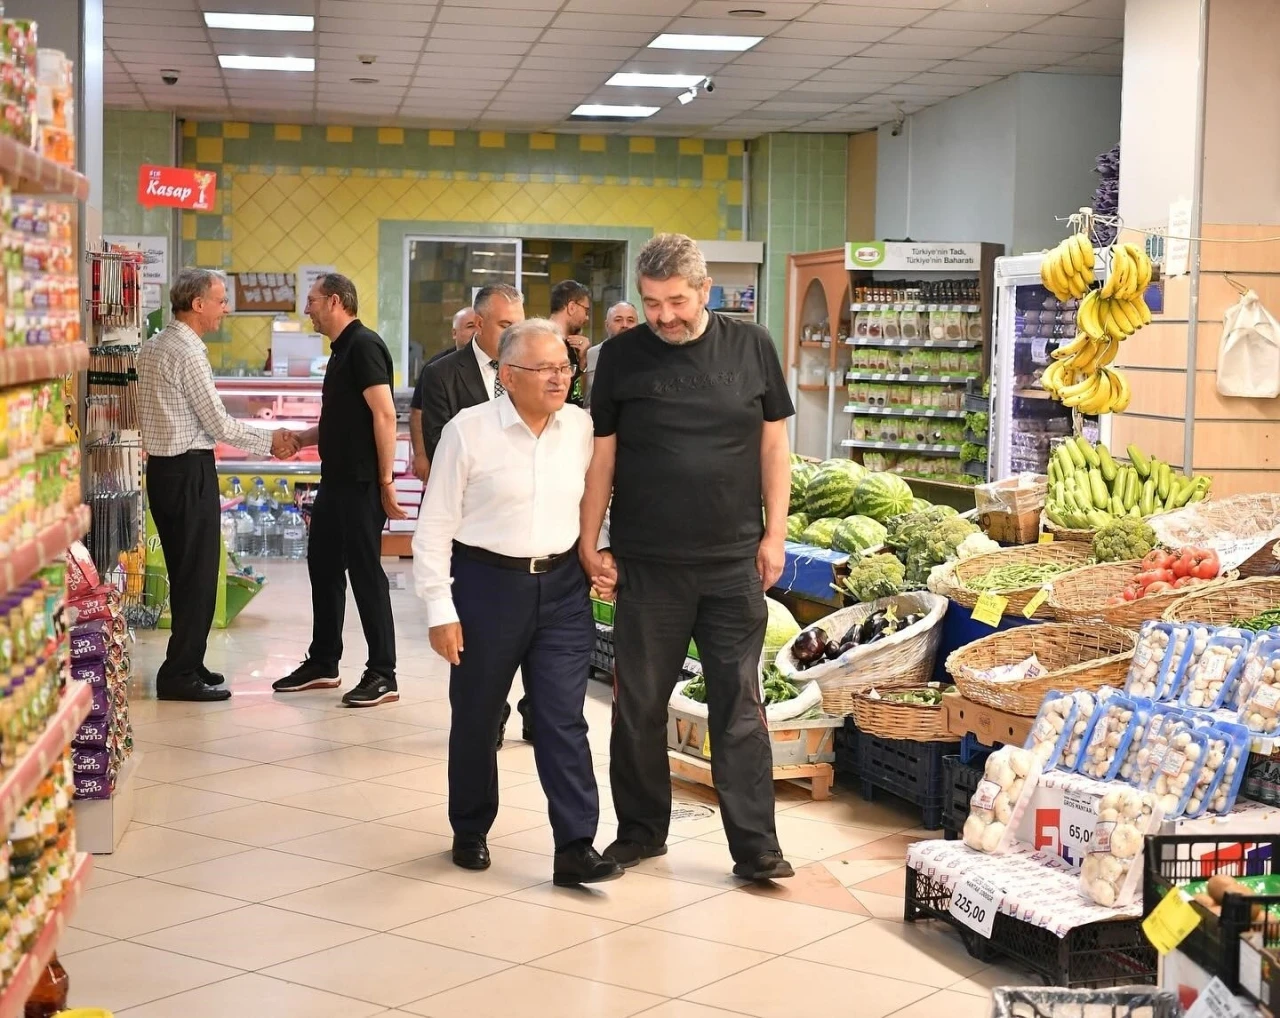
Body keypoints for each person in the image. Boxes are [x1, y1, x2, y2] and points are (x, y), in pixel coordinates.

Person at [580, 233, 796, 883]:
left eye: (676, 301)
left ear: (705, 291)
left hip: (733, 562)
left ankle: (756, 847)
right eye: (651, 303)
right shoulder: (620, 358)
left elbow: (774, 448)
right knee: (639, 706)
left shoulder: (752, 345)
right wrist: (589, 541)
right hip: (648, 563)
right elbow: (603, 458)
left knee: (739, 707)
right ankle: (641, 831)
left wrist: (775, 535)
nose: (664, 315)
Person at [414, 319, 622, 887]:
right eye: (544, 369)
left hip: (563, 590)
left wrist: (600, 552)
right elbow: (434, 528)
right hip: (486, 587)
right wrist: (440, 610)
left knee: (563, 720)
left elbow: (594, 503)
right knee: (479, 718)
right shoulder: (468, 432)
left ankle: (576, 845)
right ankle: (470, 827)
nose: (560, 378)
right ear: (508, 376)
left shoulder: (580, 428)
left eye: (564, 367)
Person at [137, 268, 298, 703]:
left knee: (185, 571)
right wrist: (271, 442)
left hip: (163, 471)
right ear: (197, 304)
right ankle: (179, 673)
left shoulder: (153, 345)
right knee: (200, 575)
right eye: (220, 300)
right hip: (189, 470)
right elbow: (218, 423)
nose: (225, 309)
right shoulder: (188, 352)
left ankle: (189, 660)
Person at [273, 273, 406, 707]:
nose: (306, 309)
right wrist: (302, 439)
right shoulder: (341, 350)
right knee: (324, 566)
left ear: (334, 301)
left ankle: (383, 672)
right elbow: (343, 420)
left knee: (366, 574)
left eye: (311, 301)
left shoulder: (364, 345)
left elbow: (384, 415)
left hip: (362, 483)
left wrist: (385, 482)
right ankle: (324, 661)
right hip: (335, 480)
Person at [420, 284, 534, 747]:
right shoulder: (443, 373)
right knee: (486, 646)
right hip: (477, 533)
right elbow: (439, 450)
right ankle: (491, 718)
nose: (514, 333)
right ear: (479, 323)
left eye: (519, 324)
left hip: (532, 524)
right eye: (506, 325)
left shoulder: (533, 369)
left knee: (539, 641)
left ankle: (535, 712)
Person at [410, 307, 478, 483]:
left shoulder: (495, 365)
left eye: (479, 326)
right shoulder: (436, 368)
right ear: (454, 333)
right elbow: (417, 412)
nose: (476, 331)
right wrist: (420, 455)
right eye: (470, 326)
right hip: (444, 457)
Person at [584, 301, 637, 405]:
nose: (625, 325)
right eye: (618, 320)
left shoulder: (648, 356)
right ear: (607, 325)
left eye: (630, 320)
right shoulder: (591, 354)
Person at [548, 280, 591, 407]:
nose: (587, 318)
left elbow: (576, 392)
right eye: (586, 311)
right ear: (572, 307)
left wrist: (583, 361)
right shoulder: (544, 343)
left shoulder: (572, 345)